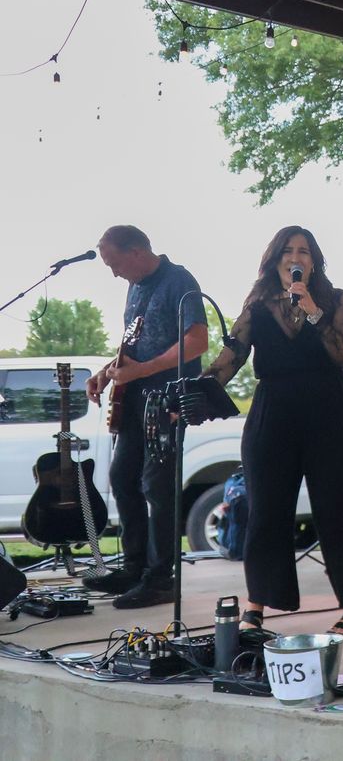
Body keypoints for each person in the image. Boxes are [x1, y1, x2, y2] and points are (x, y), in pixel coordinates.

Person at [203, 226, 343, 637]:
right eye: (287, 250)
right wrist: (198, 393)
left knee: (338, 508)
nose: (295, 257)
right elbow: (232, 355)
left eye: (303, 251)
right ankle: (257, 604)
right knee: (265, 510)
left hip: (328, 410)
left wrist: (313, 310)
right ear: (275, 259)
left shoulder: (335, 299)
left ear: (314, 261)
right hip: (273, 410)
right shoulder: (258, 303)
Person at [86, 225, 208, 609]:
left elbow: (197, 341)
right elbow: (135, 344)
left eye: (115, 263)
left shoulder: (179, 280)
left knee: (157, 485)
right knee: (122, 478)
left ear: (137, 252)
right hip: (135, 398)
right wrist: (107, 372)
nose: (114, 273)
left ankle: (160, 579)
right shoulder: (135, 287)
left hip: (166, 399)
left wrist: (142, 370)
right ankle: (135, 568)